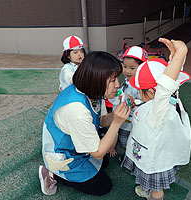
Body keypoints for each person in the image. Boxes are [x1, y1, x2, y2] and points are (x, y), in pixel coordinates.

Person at [39, 51, 131, 196]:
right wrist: (117, 122)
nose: (118, 85)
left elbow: (100, 120)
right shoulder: (76, 110)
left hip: (76, 145)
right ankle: (52, 174)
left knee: (104, 163)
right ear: (97, 79)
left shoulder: (91, 91)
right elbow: (98, 153)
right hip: (63, 153)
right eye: (113, 80)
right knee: (103, 186)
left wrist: (114, 115)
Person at [121, 38, 191, 200]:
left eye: (141, 90)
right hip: (161, 151)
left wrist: (181, 53)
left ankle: (154, 196)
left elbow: (165, 85)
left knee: (156, 190)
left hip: (153, 159)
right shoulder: (168, 101)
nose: (138, 92)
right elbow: (170, 81)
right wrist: (174, 59)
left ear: (153, 93)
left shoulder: (157, 110)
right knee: (154, 185)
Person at [108, 46, 147, 159]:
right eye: (125, 66)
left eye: (132, 68)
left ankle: (131, 159)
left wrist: (135, 102)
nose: (127, 71)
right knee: (122, 136)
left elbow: (146, 101)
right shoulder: (127, 80)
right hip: (122, 117)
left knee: (130, 142)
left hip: (132, 120)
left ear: (142, 68)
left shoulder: (142, 85)